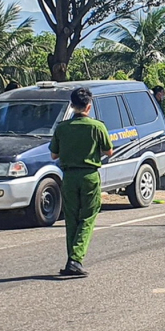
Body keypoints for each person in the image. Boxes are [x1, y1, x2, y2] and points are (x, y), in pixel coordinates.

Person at [49, 87, 113, 277]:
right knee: (87, 217)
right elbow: (109, 151)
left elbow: (54, 154)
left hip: (68, 177)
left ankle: (72, 259)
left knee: (71, 219)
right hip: (89, 176)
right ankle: (76, 259)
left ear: (72, 105)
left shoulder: (62, 127)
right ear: (89, 106)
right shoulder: (97, 126)